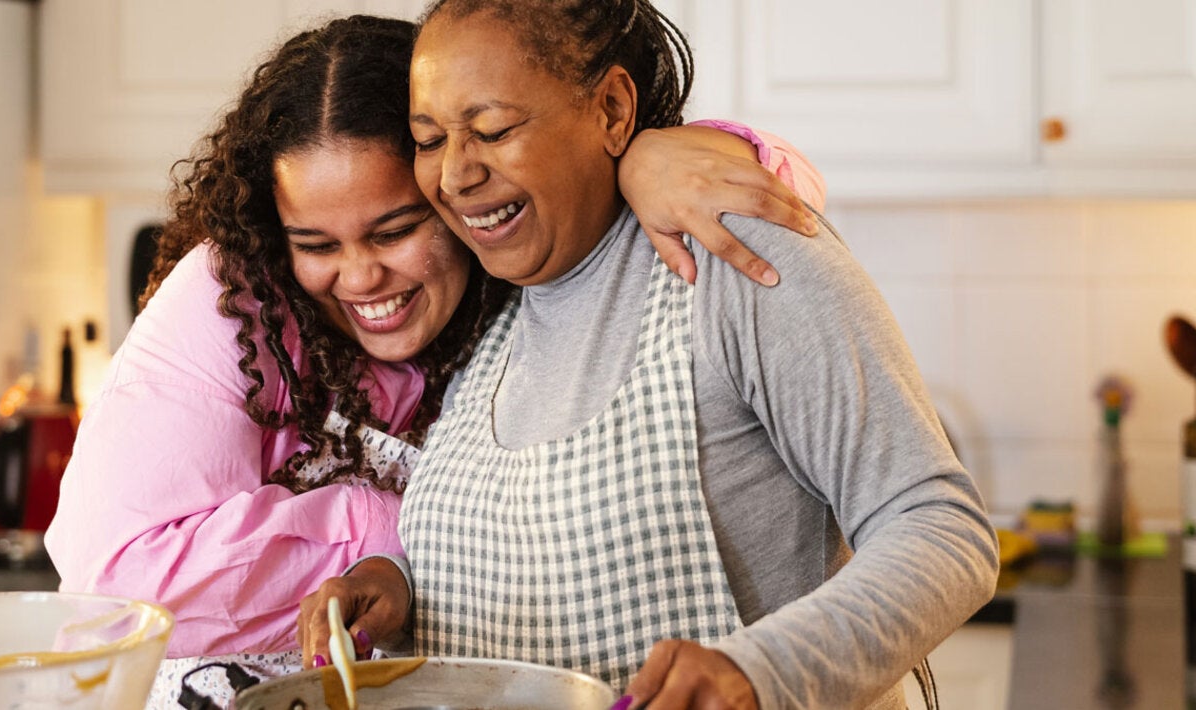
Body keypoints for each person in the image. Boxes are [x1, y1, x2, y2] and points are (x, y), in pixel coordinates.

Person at [42, 13, 822, 709]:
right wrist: (410, 531)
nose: (359, 278)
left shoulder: (523, 272)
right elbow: (116, 584)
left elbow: (783, 194)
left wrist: (649, 159)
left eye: (394, 231)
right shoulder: (237, 295)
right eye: (316, 244)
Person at [297, 1, 1000, 708]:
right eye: (428, 139)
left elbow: (942, 529)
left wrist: (760, 671)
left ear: (610, 109)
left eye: (493, 130)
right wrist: (396, 582)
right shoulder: (489, 302)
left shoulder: (732, 259)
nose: (454, 175)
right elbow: (520, 551)